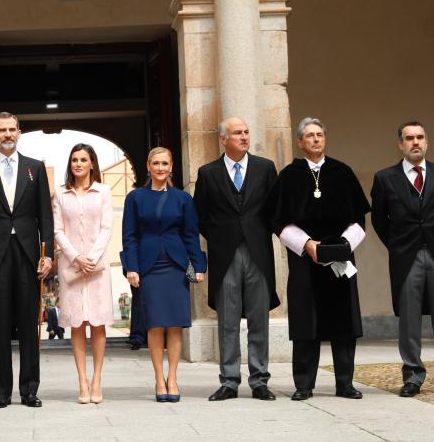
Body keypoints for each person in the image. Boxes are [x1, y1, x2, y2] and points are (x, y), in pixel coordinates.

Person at [370, 121, 434, 397]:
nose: (415, 142)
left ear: (426, 142)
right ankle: (413, 376)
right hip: (405, 257)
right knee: (409, 318)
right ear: (400, 144)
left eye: (420, 137)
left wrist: (433, 237)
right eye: (409, 138)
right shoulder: (385, 178)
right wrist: (398, 246)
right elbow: (380, 221)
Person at [266, 117, 369, 401]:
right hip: (304, 260)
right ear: (300, 142)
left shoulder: (342, 172)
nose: (315, 139)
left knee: (344, 322)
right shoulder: (289, 176)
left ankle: (345, 383)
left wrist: (343, 246)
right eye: (309, 135)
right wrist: (308, 244)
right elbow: (277, 221)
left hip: (340, 259)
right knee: (305, 323)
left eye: (320, 135)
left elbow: (359, 219)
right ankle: (304, 385)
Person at [0, 111, 54, 409]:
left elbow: (46, 216)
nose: (7, 134)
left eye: (12, 129)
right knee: (0, 326)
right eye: (1, 130)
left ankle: (29, 390)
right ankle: (3, 391)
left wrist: (49, 255)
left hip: (28, 255)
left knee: (29, 325)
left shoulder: (35, 169)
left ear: (19, 132)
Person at [195, 117, 279, 402]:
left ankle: (260, 381)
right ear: (223, 139)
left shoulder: (265, 168)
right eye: (237, 133)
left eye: (246, 132)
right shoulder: (207, 173)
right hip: (224, 255)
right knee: (228, 321)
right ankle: (229, 381)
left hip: (258, 253)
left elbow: (275, 210)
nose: (244, 137)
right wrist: (222, 238)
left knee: (259, 319)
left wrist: (256, 234)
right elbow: (201, 217)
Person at [122, 147, 206, 403]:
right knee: (155, 325)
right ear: (148, 166)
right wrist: (131, 266)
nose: (160, 168)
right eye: (156, 163)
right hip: (149, 266)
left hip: (175, 265)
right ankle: (159, 378)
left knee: (175, 325)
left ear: (171, 167)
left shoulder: (183, 199)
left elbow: (191, 234)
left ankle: (173, 378)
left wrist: (199, 266)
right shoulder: (135, 198)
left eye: (165, 163)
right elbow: (130, 236)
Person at [51, 143, 113, 404]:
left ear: (91, 163)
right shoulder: (61, 194)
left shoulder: (104, 191)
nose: (78, 163)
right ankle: (82, 381)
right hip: (72, 267)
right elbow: (57, 230)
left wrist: (92, 258)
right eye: (74, 159)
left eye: (83, 159)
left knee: (97, 324)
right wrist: (76, 257)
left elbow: (107, 227)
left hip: (97, 268)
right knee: (77, 324)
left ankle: (97, 379)